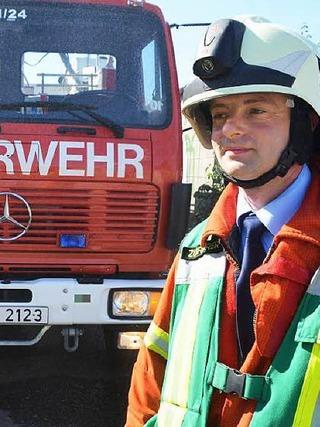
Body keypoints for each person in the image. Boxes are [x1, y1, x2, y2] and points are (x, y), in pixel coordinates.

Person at [127, 16, 320, 426]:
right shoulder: (198, 249)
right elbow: (152, 379)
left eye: (257, 110)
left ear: (305, 123)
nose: (232, 129)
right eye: (220, 114)